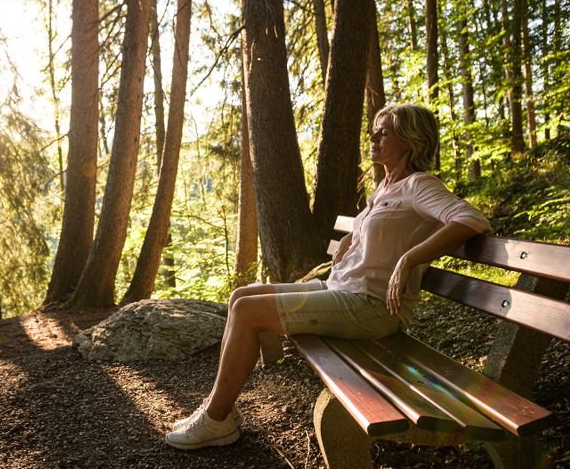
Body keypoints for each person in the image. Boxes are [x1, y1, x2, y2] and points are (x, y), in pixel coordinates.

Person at [165, 103, 491, 450]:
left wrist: (411, 258)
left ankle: (216, 420)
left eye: (384, 133)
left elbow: (471, 220)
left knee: (247, 313)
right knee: (242, 296)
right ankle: (221, 411)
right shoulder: (385, 188)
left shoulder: (419, 185)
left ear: (411, 140)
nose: (373, 138)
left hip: (371, 307)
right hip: (342, 289)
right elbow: (385, 229)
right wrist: (356, 236)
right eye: (374, 132)